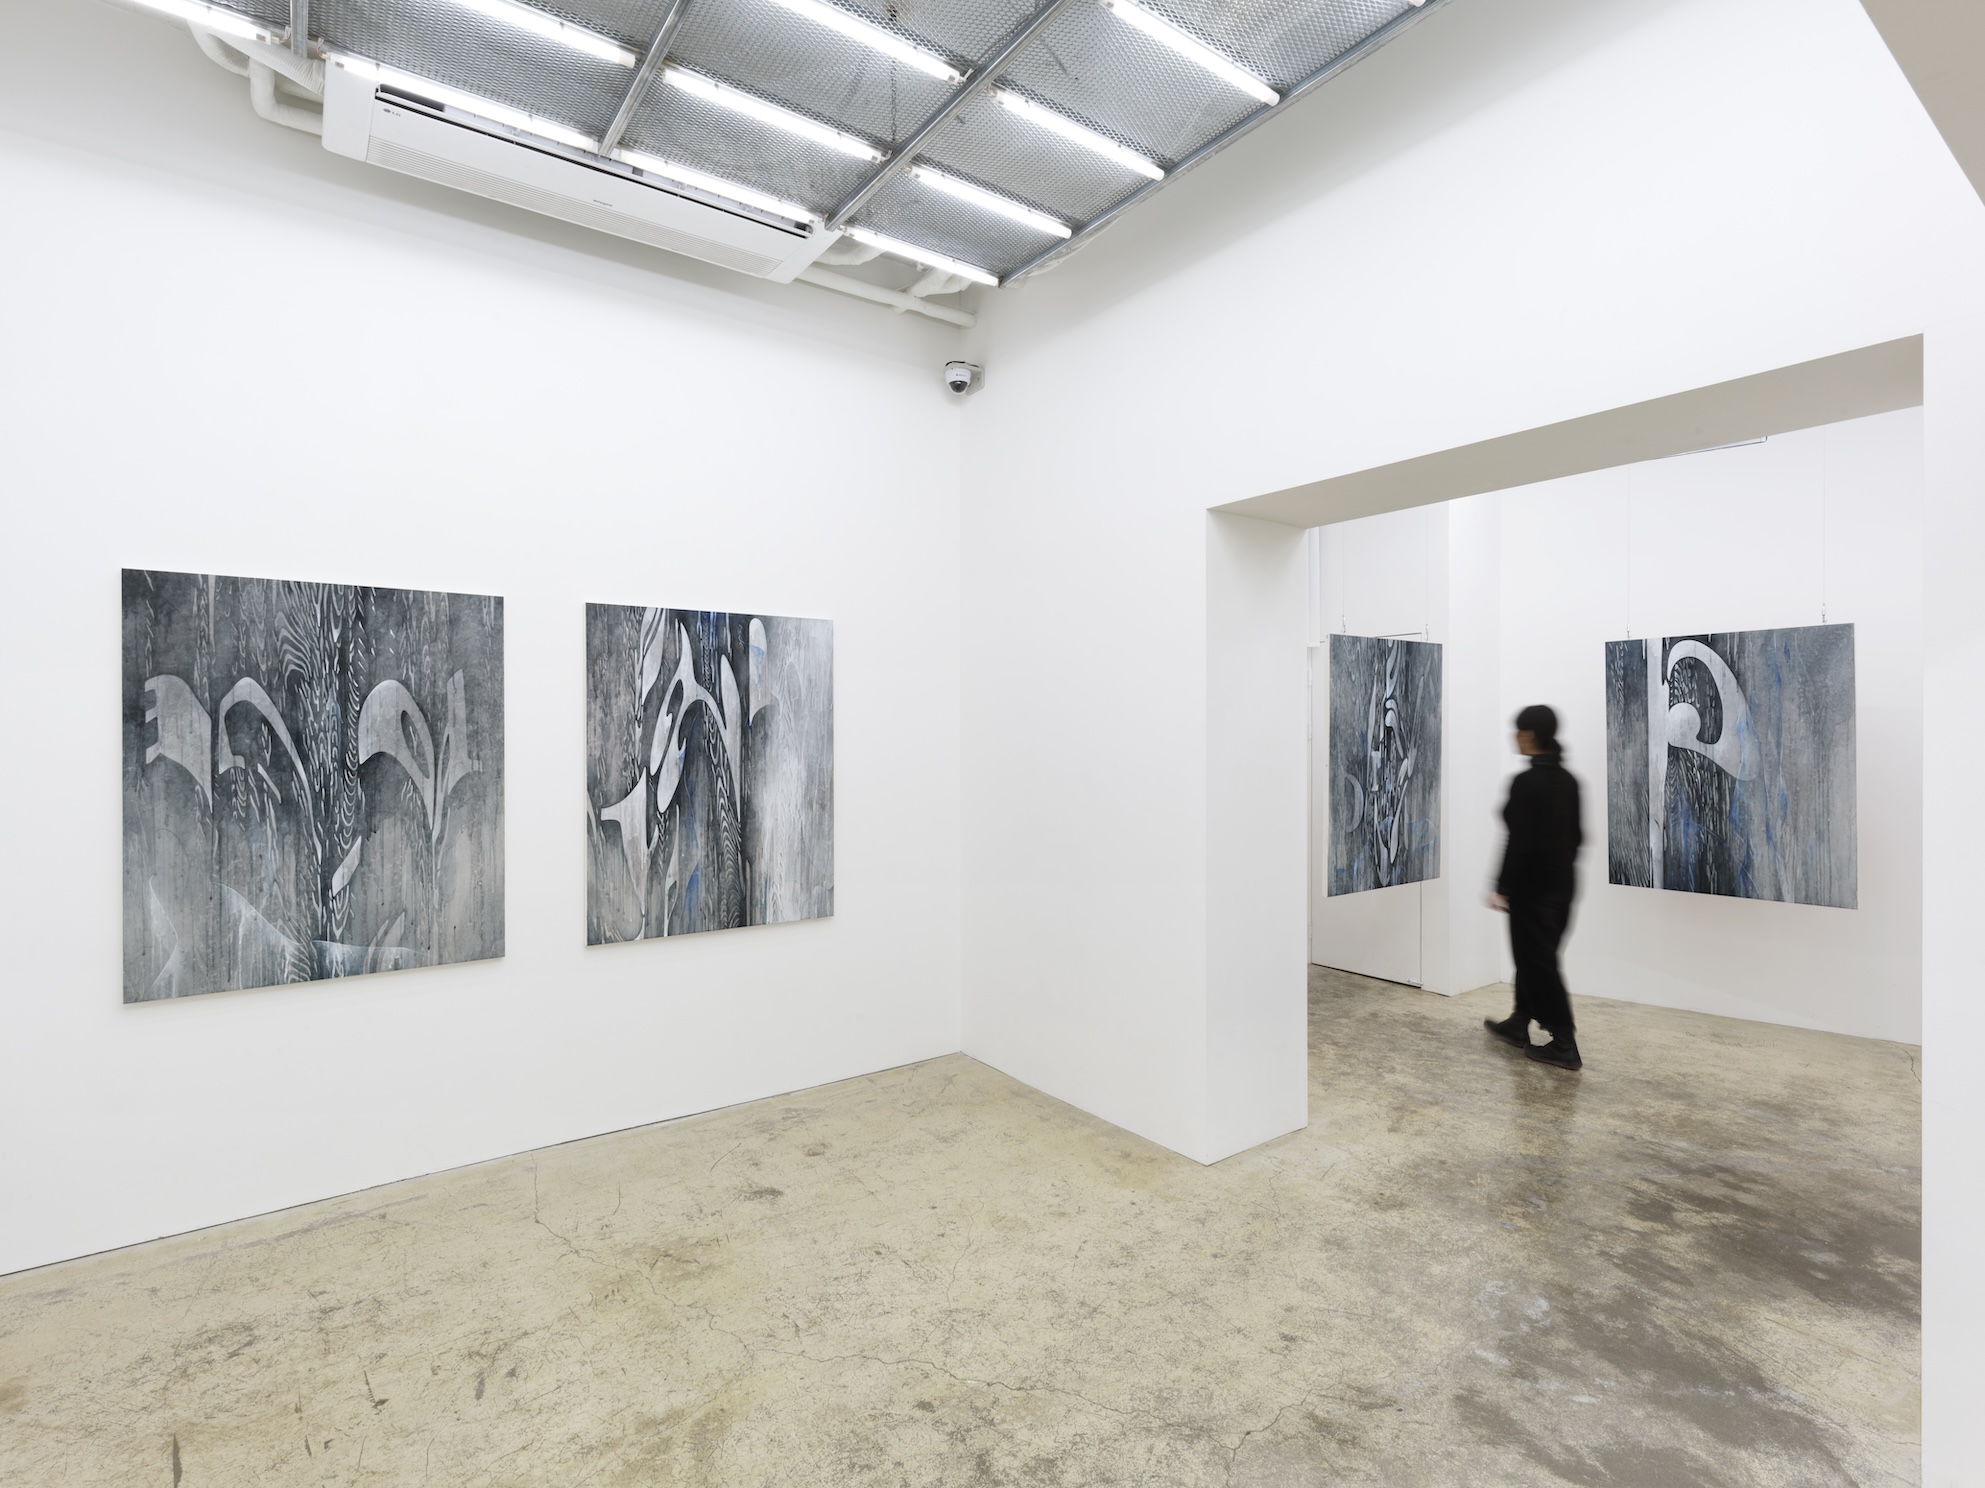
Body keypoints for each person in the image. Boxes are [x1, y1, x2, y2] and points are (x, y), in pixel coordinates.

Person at [1484, 704, 1584, 1070]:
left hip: (1532, 889)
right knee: (1535, 958)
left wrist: (1502, 885)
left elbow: (1519, 842)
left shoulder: (1526, 782)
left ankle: (1564, 1042)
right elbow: (1577, 838)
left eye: (1517, 731)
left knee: (1539, 963)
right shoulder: (1569, 781)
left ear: (1528, 735)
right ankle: (1519, 1021)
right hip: (1563, 886)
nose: (1514, 737)